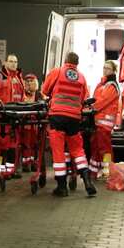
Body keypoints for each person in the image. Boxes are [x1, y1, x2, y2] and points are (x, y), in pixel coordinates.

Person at [41, 51, 97, 197]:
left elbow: (45, 90)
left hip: (57, 117)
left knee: (59, 151)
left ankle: (61, 187)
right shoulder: (82, 77)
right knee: (78, 150)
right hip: (74, 118)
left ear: (66, 60)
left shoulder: (57, 72)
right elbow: (85, 97)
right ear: (77, 63)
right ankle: (87, 182)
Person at [0, 54, 26, 178]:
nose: (14, 64)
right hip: (3, 117)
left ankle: (10, 170)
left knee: (13, 146)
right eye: (11, 61)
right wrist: (1, 109)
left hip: (16, 117)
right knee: (1, 146)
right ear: (5, 63)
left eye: (15, 61)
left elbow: (22, 97)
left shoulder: (19, 78)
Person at [89, 60, 120, 179]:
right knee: (95, 148)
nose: (105, 70)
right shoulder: (102, 84)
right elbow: (96, 99)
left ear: (113, 71)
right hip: (98, 122)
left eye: (108, 68)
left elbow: (102, 101)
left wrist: (91, 108)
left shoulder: (112, 85)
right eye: (104, 67)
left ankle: (108, 173)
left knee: (105, 149)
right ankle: (93, 172)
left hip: (104, 123)